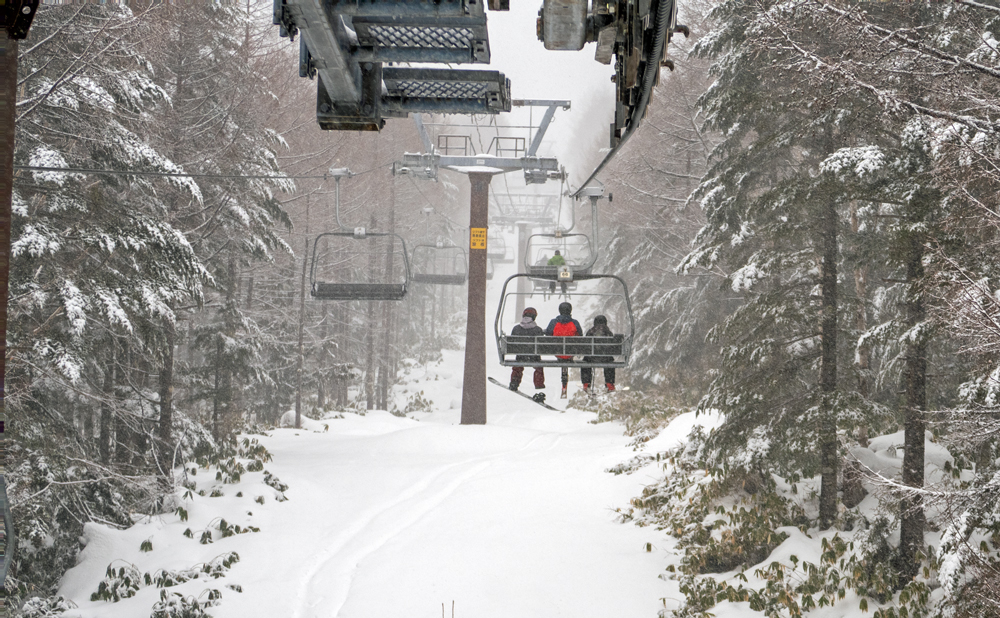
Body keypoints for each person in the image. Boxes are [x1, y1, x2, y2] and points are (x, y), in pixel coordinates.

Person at [545, 301, 583, 398]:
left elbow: (548, 335)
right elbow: (580, 336)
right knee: (567, 351)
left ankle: (564, 383)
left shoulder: (554, 322)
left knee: (561, 351)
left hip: (558, 352)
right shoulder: (574, 323)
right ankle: (565, 383)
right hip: (570, 352)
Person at [509, 307, 546, 402]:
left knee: (518, 366)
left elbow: (511, 343)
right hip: (534, 356)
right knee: (538, 367)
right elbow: (542, 346)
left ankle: (514, 382)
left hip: (520, 356)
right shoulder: (537, 330)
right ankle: (539, 385)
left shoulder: (516, 328)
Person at [581, 315, 616, 393]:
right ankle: (609, 383)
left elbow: (586, 346)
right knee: (610, 362)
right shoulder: (608, 332)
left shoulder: (590, 331)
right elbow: (613, 347)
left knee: (585, 362)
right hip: (606, 358)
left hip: (591, 358)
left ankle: (586, 383)